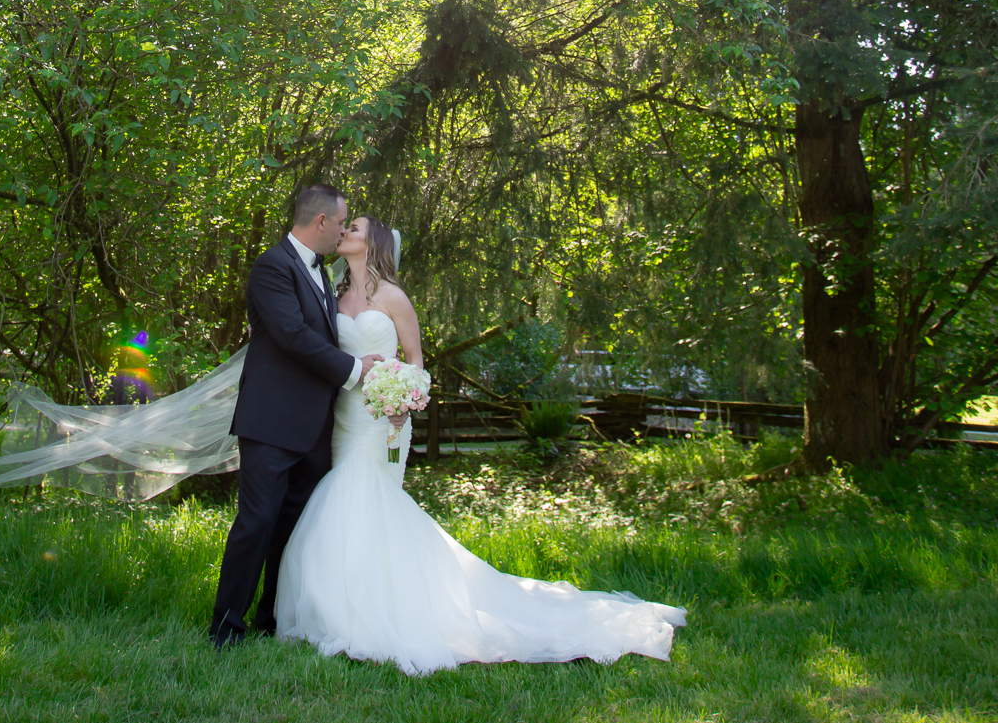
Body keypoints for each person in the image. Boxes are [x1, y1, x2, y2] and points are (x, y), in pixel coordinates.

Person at [272, 214, 687, 675]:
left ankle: (373, 614)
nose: (345, 231)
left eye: (356, 228)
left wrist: (403, 401)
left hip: (382, 423)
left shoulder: (393, 297)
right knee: (354, 506)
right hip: (343, 417)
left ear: (375, 244)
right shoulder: (330, 295)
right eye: (346, 227)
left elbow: (417, 364)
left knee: (360, 497)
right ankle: (345, 606)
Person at [208, 183, 386, 648]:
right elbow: (291, 334)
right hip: (270, 421)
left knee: (292, 527)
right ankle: (226, 627)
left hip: (314, 428)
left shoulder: (323, 275)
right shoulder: (272, 266)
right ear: (321, 222)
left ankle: (271, 619)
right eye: (341, 222)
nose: (344, 230)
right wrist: (354, 369)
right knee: (257, 521)